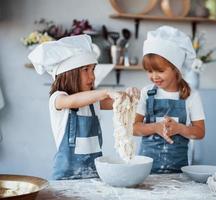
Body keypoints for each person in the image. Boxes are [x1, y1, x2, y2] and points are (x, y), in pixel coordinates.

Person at [28, 34, 137, 180]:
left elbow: (118, 102)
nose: (92, 77)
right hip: (66, 180)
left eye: (93, 70)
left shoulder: (93, 101)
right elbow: (72, 101)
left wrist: (130, 95)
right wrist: (104, 92)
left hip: (95, 176)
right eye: (86, 70)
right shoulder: (58, 99)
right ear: (68, 73)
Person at [133, 26, 206, 173]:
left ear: (175, 69)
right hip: (146, 171)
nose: (154, 76)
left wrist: (180, 128)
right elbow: (133, 128)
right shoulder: (147, 93)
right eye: (149, 71)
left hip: (179, 171)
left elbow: (200, 132)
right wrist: (156, 127)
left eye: (160, 71)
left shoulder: (191, 95)